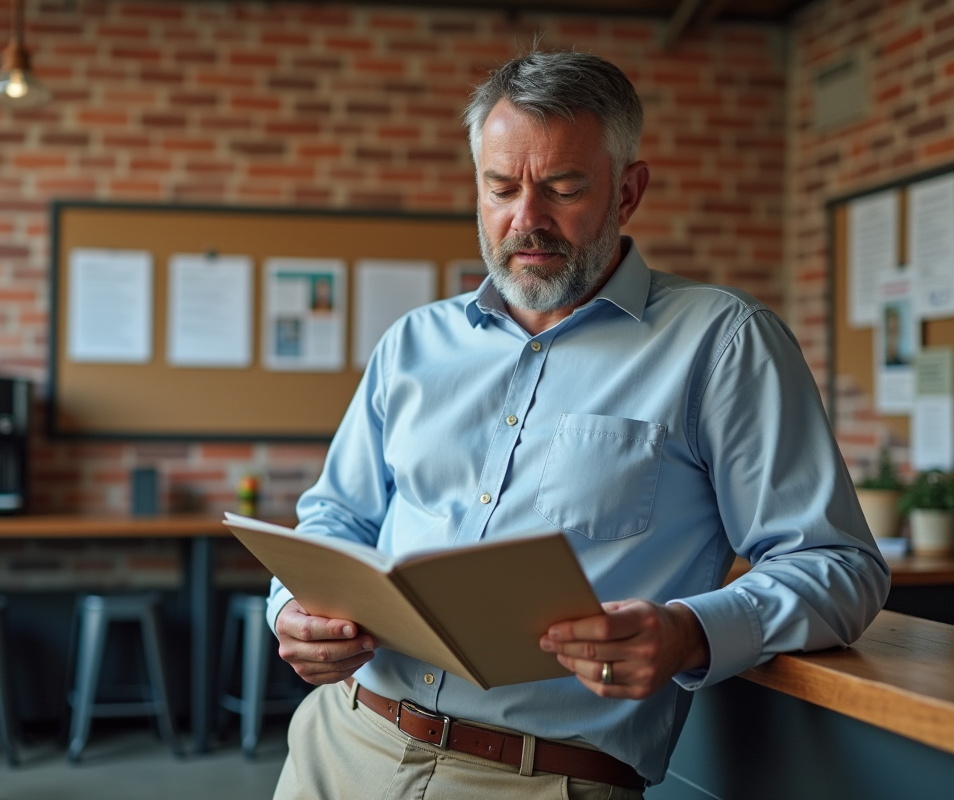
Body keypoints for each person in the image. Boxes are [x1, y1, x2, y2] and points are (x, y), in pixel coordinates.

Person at [266, 50, 889, 798]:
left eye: (562, 188)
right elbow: (336, 516)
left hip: (542, 779)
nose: (525, 220)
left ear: (628, 191)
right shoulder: (412, 343)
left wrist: (691, 631)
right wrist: (294, 609)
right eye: (500, 188)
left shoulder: (724, 344)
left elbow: (839, 567)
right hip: (340, 743)